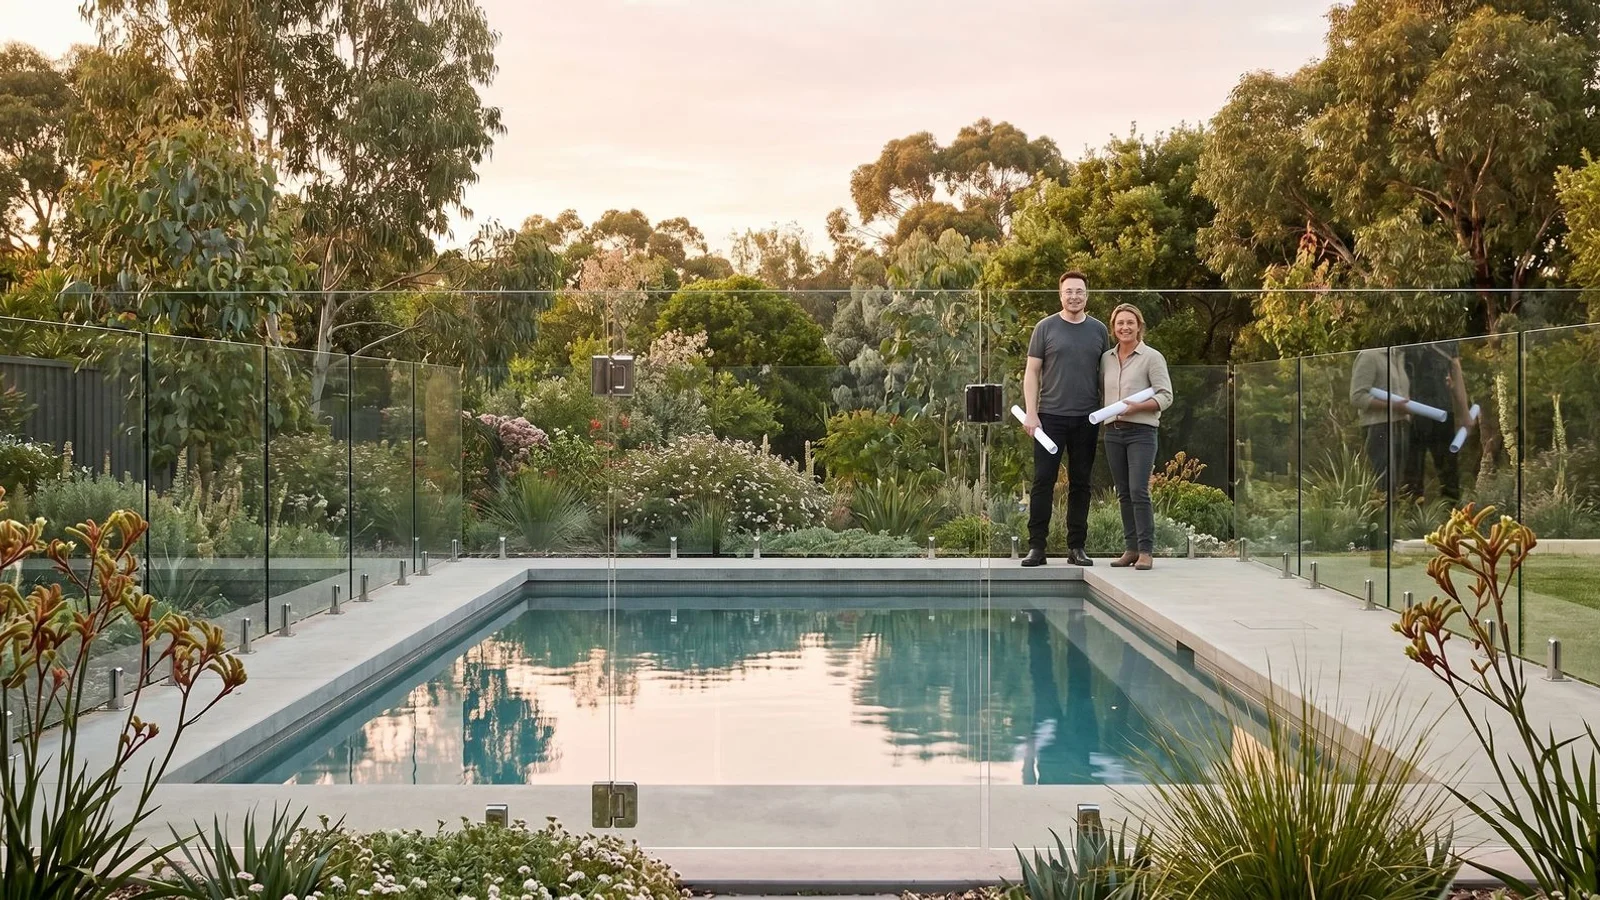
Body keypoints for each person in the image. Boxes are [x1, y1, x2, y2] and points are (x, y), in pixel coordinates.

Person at [1021, 271, 1108, 567]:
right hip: (1049, 419)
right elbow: (1031, 372)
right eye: (1069, 291)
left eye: (1079, 291)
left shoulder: (1098, 330)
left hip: (1088, 419)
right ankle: (1036, 547)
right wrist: (1031, 413)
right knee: (1043, 481)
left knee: (1081, 484)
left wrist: (1109, 411)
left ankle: (1077, 547)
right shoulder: (1045, 328)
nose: (1074, 296)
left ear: (1087, 295)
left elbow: (1105, 376)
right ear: (1060, 295)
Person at [1099, 304, 1173, 570]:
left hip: (1142, 432)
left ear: (1139, 326)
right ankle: (1130, 549)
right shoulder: (1106, 358)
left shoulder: (1152, 357)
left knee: (1138, 491)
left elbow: (1166, 396)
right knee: (1123, 494)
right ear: (1113, 327)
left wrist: (1138, 406)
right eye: (1120, 323)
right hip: (1113, 433)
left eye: (1130, 322)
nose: (1125, 327)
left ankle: (1145, 551)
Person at [1403, 341, 1469, 503]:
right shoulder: (1410, 336)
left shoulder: (1448, 340)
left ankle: (1453, 521)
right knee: (1414, 478)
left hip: (1438, 411)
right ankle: (1416, 522)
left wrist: (1465, 412)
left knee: (1446, 475)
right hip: (1415, 412)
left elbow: (1456, 372)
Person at [1349, 346, 1411, 493]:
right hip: (1378, 427)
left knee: (1399, 485)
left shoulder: (1399, 355)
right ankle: (1382, 515)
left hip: (1401, 425)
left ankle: (1397, 514)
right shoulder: (1369, 356)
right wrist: (1393, 406)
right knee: (1384, 485)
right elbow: (1357, 397)